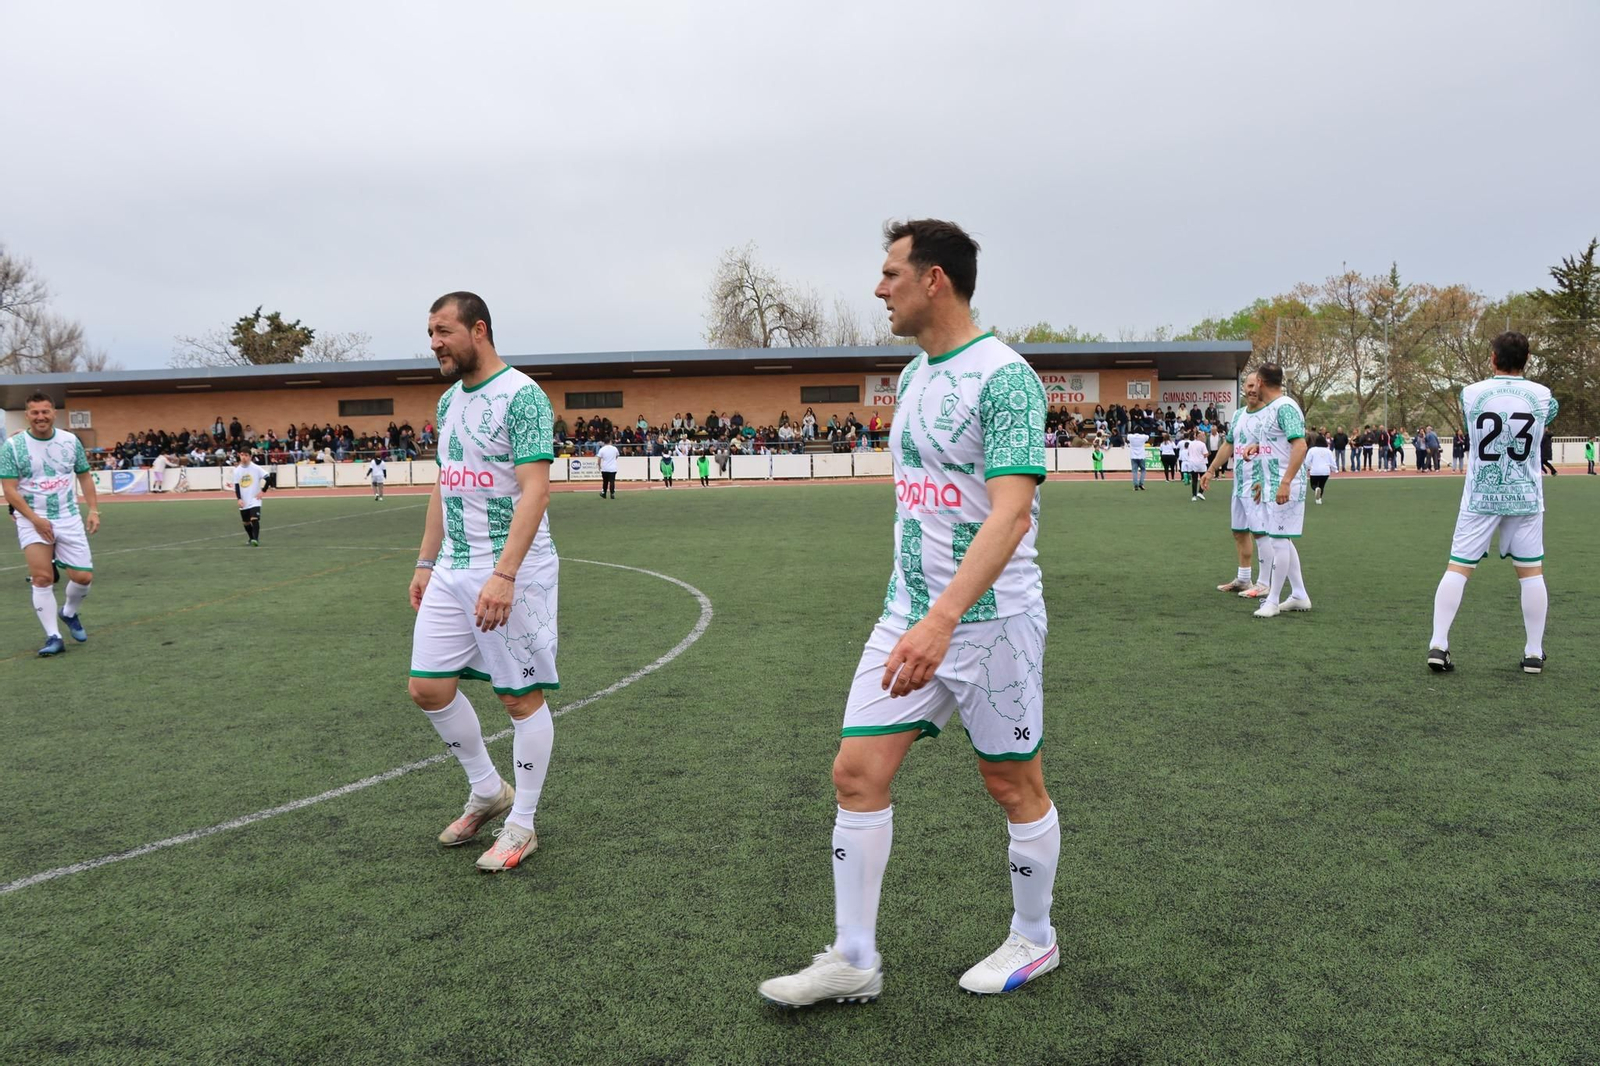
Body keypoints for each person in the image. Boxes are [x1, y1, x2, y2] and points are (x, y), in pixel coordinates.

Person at [760, 219, 1059, 1007]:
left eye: (891, 272)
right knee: (856, 773)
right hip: (908, 615)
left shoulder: (1006, 378)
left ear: (935, 280)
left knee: (1012, 784)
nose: (878, 286)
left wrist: (945, 618)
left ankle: (1036, 937)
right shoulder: (916, 375)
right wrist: (919, 613)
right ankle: (854, 959)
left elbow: (1010, 515)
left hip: (990, 622)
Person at [408, 292, 559, 874]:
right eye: (429, 333)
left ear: (479, 329)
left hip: (509, 567)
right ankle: (487, 791)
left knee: (518, 696)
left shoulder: (522, 396)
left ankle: (521, 825)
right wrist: (425, 563)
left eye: (443, 331)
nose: (435, 344)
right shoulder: (448, 402)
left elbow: (536, 491)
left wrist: (504, 574)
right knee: (427, 687)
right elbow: (444, 488)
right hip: (452, 565)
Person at [1427, 332, 1557, 675]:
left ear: (1492, 358)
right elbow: (1548, 415)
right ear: (1527, 360)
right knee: (1530, 574)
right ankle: (1533, 652)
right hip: (1525, 494)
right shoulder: (1542, 395)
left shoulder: (1470, 393)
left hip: (1480, 495)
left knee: (1458, 568)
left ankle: (1438, 644)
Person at [1, 392, 99, 656]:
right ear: (27, 415)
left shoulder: (70, 441)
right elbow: (9, 489)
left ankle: (68, 612)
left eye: (45, 411)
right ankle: (53, 637)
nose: (40, 417)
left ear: (54, 413)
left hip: (68, 516)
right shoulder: (12, 446)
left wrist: (93, 510)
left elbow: (85, 476)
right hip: (31, 519)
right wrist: (35, 519)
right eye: (35, 412)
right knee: (42, 577)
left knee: (83, 577)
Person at [1244, 363, 1311, 617]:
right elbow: (1281, 443)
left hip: (1286, 486)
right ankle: (1299, 594)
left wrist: (1285, 482)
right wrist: (1258, 447)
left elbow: (1300, 446)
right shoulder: (1275, 408)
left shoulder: (1285, 407)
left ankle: (1272, 600)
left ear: (1260, 382)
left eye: (1253, 383)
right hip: (1275, 484)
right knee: (1281, 538)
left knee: (1279, 541)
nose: (1251, 388)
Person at [1201, 372, 1262, 595]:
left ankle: (1265, 583)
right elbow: (1228, 445)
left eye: (1257, 385)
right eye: (1249, 385)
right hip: (1239, 483)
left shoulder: (1268, 414)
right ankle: (1244, 579)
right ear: (1243, 387)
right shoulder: (1238, 415)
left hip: (1258, 483)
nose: (1253, 389)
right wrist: (1210, 469)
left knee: (1261, 534)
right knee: (1239, 531)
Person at [234, 451, 268, 545]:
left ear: (250, 456)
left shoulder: (256, 468)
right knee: (246, 522)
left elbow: (268, 479)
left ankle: (255, 539)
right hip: (244, 500)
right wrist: (239, 499)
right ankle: (251, 538)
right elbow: (237, 486)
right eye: (242, 455)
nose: (244, 457)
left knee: (254, 518)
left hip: (255, 498)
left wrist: (263, 491)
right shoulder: (237, 470)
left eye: (246, 455)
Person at [1304, 435, 1336, 504]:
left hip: (1315, 470)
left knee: (1313, 485)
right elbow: (1332, 461)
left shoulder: (1312, 450)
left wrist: (1307, 468)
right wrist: (1335, 469)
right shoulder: (1328, 451)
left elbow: (1307, 461)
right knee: (1322, 485)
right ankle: (1319, 500)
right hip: (1325, 471)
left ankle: (1316, 489)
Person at [1181, 429, 1209, 500]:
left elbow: (1188, 453)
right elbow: (1205, 454)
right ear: (1198, 436)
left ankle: (1194, 496)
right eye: (1202, 436)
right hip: (1201, 463)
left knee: (1194, 479)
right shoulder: (1202, 444)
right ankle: (1200, 492)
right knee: (1204, 478)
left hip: (1192, 463)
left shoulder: (1190, 443)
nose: (1203, 437)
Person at [1126, 427, 1149, 491]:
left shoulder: (1131, 436)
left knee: (1134, 471)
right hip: (1141, 455)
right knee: (1143, 470)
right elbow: (1148, 436)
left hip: (1133, 456)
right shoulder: (1143, 437)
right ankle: (1141, 483)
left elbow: (1128, 434)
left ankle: (1135, 484)